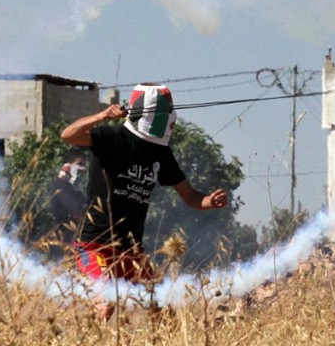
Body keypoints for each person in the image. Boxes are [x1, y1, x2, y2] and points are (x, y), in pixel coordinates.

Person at [60, 83, 229, 304]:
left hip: (132, 252)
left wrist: (210, 201)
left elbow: (190, 196)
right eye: (167, 109)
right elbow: (68, 135)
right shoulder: (110, 137)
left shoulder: (161, 153)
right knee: (105, 305)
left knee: (160, 311)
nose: (172, 116)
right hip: (95, 247)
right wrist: (102, 116)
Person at [49, 147, 88, 228]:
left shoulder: (69, 187)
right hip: (69, 235)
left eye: (84, 165)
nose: (83, 169)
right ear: (67, 166)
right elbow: (76, 215)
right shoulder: (61, 186)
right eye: (80, 164)